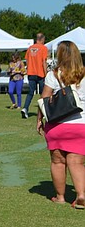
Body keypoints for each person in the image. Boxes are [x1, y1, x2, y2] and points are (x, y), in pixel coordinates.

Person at [37, 40, 85, 208]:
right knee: (76, 162)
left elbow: (44, 99)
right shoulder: (84, 74)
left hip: (58, 125)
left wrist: (39, 120)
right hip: (81, 124)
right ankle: (81, 194)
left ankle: (60, 197)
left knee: (58, 161)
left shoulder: (54, 74)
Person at [22, 32, 48, 118]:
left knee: (30, 93)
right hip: (40, 73)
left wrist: (29, 70)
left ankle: (25, 108)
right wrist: (46, 73)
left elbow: (27, 61)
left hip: (31, 73)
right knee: (43, 93)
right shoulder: (43, 48)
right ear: (42, 39)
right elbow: (44, 62)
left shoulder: (30, 48)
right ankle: (44, 112)